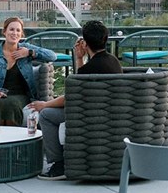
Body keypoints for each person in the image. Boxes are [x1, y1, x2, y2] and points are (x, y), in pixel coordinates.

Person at [31, 20, 122, 180]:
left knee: (46, 114)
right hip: (111, 114)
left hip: (88, 117)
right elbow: (82, 83)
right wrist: (80, 59)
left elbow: (70, 97)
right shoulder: (113, 61)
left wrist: (44, 104)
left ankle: (59, 164)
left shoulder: (91, 68)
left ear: (85, 43)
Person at [0, 17, 57, 126]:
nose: (15, 33)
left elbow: (52, 56)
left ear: (21, 34)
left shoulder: (25, 49)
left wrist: (30, 52)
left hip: (21, 95)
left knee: (11, 104)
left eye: (18, 30)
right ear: (4, 32)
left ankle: (13, 139)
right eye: (11, 29)